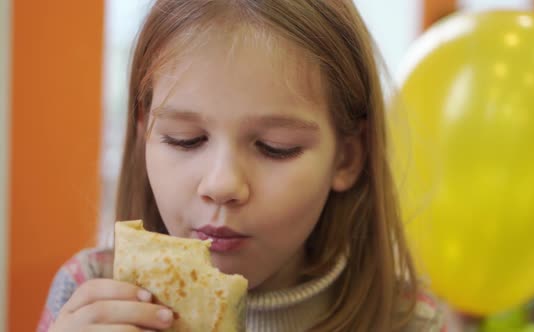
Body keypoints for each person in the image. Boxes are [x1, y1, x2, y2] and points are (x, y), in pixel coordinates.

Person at [37, 1, 446, 331]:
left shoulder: (412, 322)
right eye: (186, 139)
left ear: (347, 157)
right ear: (144, 132)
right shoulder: (87, 292)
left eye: (275, 148)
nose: (222, 184)